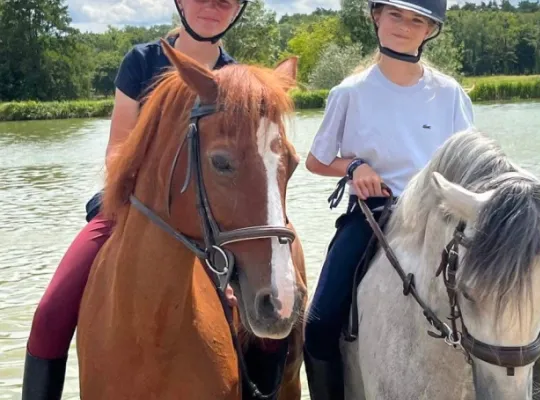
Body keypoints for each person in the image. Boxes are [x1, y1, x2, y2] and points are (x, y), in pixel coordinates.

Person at [21, 0, 250, 398]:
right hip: (131, 208)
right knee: (50, 313)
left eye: (225, 1)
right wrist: (139, 195)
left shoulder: (236, 81)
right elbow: (117, 149)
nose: (212, 7)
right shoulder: (141, 61)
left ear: (237, 10)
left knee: (265, 318)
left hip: (211, 223)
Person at [302, 0, 475, 399]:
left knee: (511, 304)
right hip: (374, 216)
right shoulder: (349, 93)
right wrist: (353, 167)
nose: (404, 26)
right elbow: (317, 160)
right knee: (319, 324)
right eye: (395, 14)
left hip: (441, 217)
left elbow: (469, 164)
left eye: (416, 19)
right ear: (376, 16)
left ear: (430, 30)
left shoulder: (450, 94)